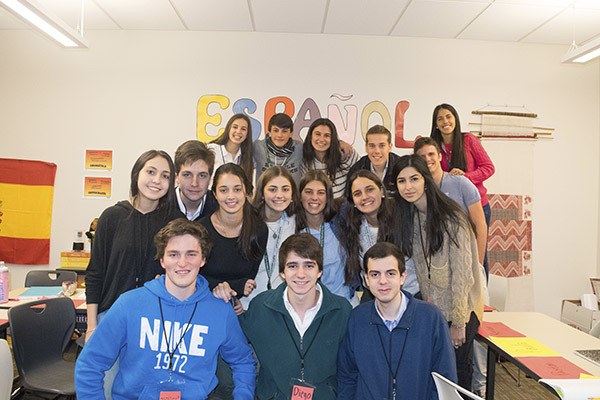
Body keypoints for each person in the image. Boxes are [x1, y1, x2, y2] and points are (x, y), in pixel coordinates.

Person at [75, 219, 256, 399]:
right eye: (173, 254)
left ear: (203, 259)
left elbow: (243, 361)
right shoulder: (129, 304)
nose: (182, 263)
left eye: (191, 254)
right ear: (162, 260)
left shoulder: (220, 311)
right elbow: (90, 364)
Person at [393, 154, 484, 391]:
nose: (408, 186)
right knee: (435, 377)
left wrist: (458, 322)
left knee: (457, 379)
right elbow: (425, 270)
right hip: (434, 311)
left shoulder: (452, 216)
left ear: (426, 179)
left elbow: (463, 274)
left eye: (414, 179)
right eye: (402, 181)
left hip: (460, 312)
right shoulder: (411, 217)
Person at [337, 242, 457, 399]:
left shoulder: (430, 318)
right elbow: (347, 376)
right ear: (366, 280)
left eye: (390, 273)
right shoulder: (357, 319)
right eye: (375, 274)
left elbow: (445, 381)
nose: (383, 281)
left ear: (403, 277)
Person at [239, 233, 352, 400]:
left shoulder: (342, 310)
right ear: (282, 272)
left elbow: (351, 368)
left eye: (308, 266)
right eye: (292, 266)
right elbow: (233, 345)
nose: (301, 274)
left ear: (320, 271)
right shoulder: (261, 307)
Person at [85, 150, 180, 343]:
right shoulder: (112, 217)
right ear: (137, 174)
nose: (157, 180)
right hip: (111, 317)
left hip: (157, 322)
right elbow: (95, 273)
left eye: (165, 176)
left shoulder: (175, 222)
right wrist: (91, 327)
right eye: (151, 172)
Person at [430, 103, 495, 275]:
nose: (445, 121)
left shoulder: (468, 140)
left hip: (477, 206)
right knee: (455, 253)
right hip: (451, 210)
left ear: (455, 119)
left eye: (449, 116)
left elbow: (489, 167)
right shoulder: (434, 147)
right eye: (440, 118)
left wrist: (465, 177)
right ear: (435, 124)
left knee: (480, 253)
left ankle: (481, 294)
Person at [199, 163, 268, 298]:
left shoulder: (259, 230)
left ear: (246, 191)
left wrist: (234, 296)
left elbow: (249, 280)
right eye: (224, 190)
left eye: (237, 189)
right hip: (203, 301)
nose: (231, 196)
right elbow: (193, 276)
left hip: (237, 303)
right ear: (215, 194)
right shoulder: (200, 230)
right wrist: (231, 287)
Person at [242, 166, 300, 309]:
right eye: (272, 189)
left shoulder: (295, 222)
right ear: (262, 193)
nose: (279, 195)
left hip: (281, 305)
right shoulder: (247, 223)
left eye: (285, 189)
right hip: (247, 304)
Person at [337, 170, 398, 303]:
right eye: (357, 194)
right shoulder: (354, 228)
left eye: (369, 189)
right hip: (371, 296)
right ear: (353, 201)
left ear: (381, 191)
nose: (364, 197)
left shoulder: (402, 221)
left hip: (406, 295)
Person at [296, 170, 353, 301]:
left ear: (328, 197)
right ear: (299, 195)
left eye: (321, 193)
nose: (314, 198)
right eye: (308, 192)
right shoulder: (293, 229)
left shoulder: (340, 223)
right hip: (308, 303)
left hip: (343, 300)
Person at [301, 118, 357, 199]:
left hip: (341, 207)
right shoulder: (304, 158)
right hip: (316, 205)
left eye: (327, 135)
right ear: (310, 136)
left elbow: (362, 175)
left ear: (333, 139)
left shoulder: (345, 154)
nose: (321, 139)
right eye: (317, 134)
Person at [346, 124, 401, 196]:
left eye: (382, 146)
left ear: (390, 147)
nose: (377, 151)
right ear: (366, 148)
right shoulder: (356, 170)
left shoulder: (400, 167)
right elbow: (350, 200)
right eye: (372, 146)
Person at [174, 140, 218, 221]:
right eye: (187, 175)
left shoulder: (219, 207)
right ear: (176, 177)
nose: (194, 183)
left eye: (202, 176)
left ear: (210, 179)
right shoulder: (160, 205)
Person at [254, 113, 304, 184]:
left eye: (284, 131)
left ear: (291, 134)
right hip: (264, 194)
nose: (280, 135)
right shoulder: (258, 147)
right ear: (269, 132)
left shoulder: (299, 148)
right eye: (275, 130)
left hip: (292, 194)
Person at [207, 114, 254, 183]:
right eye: (235, 127)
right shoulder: (212, 149)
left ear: (247, 134)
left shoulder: (247, 158)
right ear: (228, 129)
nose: (238, 131)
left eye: (243, 129)